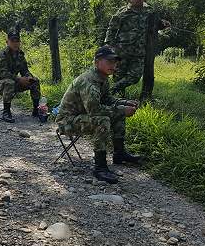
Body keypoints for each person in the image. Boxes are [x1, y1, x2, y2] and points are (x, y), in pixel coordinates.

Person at [56, 46, 142, 184]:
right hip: (66, 122)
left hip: (81, 116)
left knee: (117, 114)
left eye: (114, 62)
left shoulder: (102, 77)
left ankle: (119, 153)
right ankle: (100, 167)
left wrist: (124, 102)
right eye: (109, 61)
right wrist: (121, 109)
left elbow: (106, 99)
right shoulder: (89, 81)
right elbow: (95, 111)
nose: (113, 65)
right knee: (102, 120)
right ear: (97, 62)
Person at [104, 0, 170, 95]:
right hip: (122, 51)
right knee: (118, 76)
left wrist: (163, 24)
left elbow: (156, 24)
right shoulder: (123, 12)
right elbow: (111, 29)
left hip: (139, 52)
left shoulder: (149, 11)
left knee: (134, 77)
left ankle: (110, 91)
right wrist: (110, 47)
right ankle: (118, 102)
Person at [0, 30, 44, 123]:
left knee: (35, 81)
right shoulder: (2, 54)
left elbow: (25, 70)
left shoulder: (20, 54)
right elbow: (3, 74)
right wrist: (19, 79)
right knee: (9, 82)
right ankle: (6, 112)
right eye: (12, 41)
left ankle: (36, 109)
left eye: (17, 41)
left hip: (15, 82)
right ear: (7, 42)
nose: (15, 43)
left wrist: (28, 77)